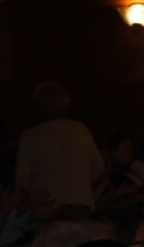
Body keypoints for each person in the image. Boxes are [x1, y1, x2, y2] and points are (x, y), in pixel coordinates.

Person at [15, 81, 104, 211]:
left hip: (46, 208)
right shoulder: (81, 130)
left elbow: (22, 182)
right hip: (80, 205)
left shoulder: (29, 136)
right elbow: (98, 169)